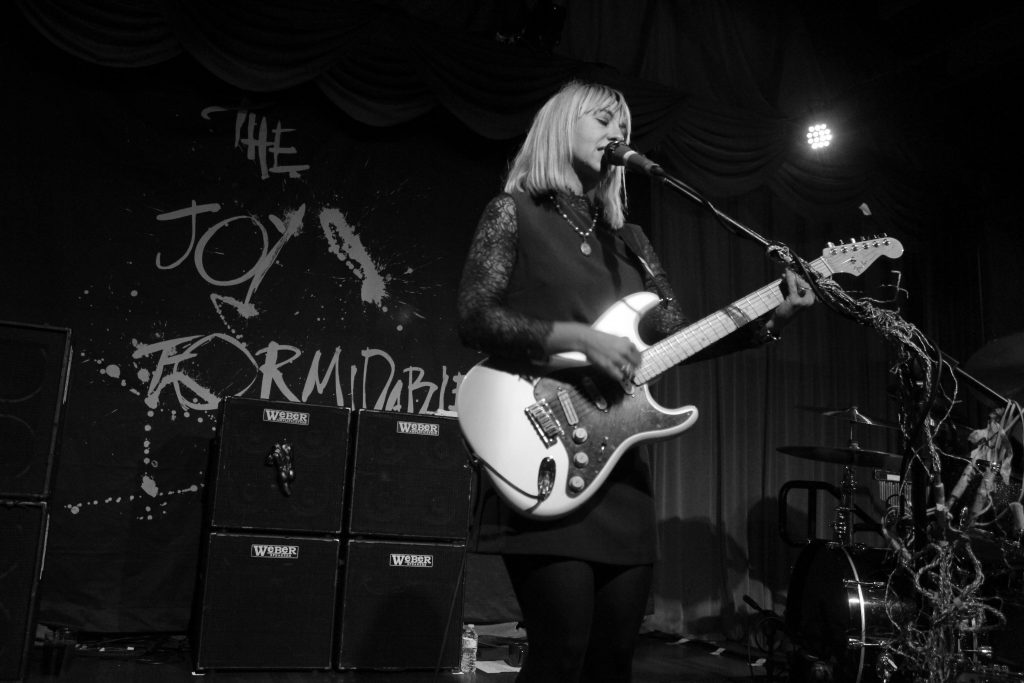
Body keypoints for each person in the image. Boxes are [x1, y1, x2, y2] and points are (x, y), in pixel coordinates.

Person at [456, 80, 814, 683]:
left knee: (612, 660)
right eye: (600, 120)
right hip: (541, 444)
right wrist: (581, 339)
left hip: (618, 470)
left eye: (622, 125)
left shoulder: (632, 241)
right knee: (560, 654)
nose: (615, 133)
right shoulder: (513, 213)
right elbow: (475, 317)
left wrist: (769, 320)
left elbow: (676, 341)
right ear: (559, 127)